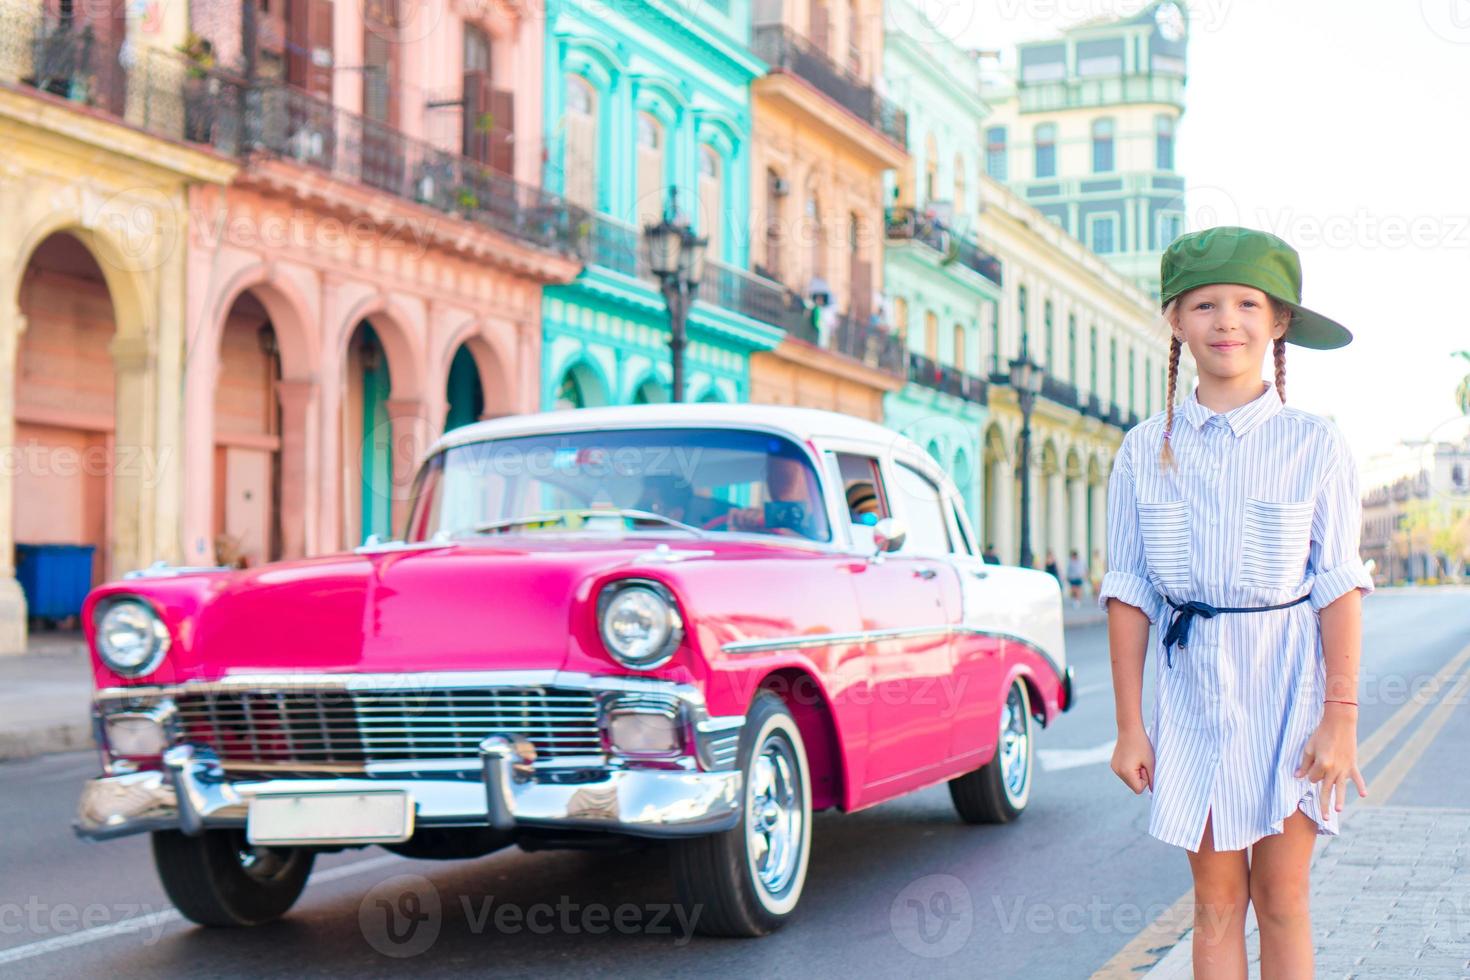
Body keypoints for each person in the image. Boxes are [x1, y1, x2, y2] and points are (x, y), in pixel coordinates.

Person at [1099, 227, 1373, 977]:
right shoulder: (1139, 451)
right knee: (1216, 901)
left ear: (1278, 321)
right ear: (1176, 320)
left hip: (1291, 694)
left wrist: (1341, 718)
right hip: (1193, 701)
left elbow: (1338, 586)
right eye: (1205, 304)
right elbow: (1128, 593)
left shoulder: (1314, 443)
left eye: (1248, 303)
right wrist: (1130, 727)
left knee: (1283, 897)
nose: (1228, 321)